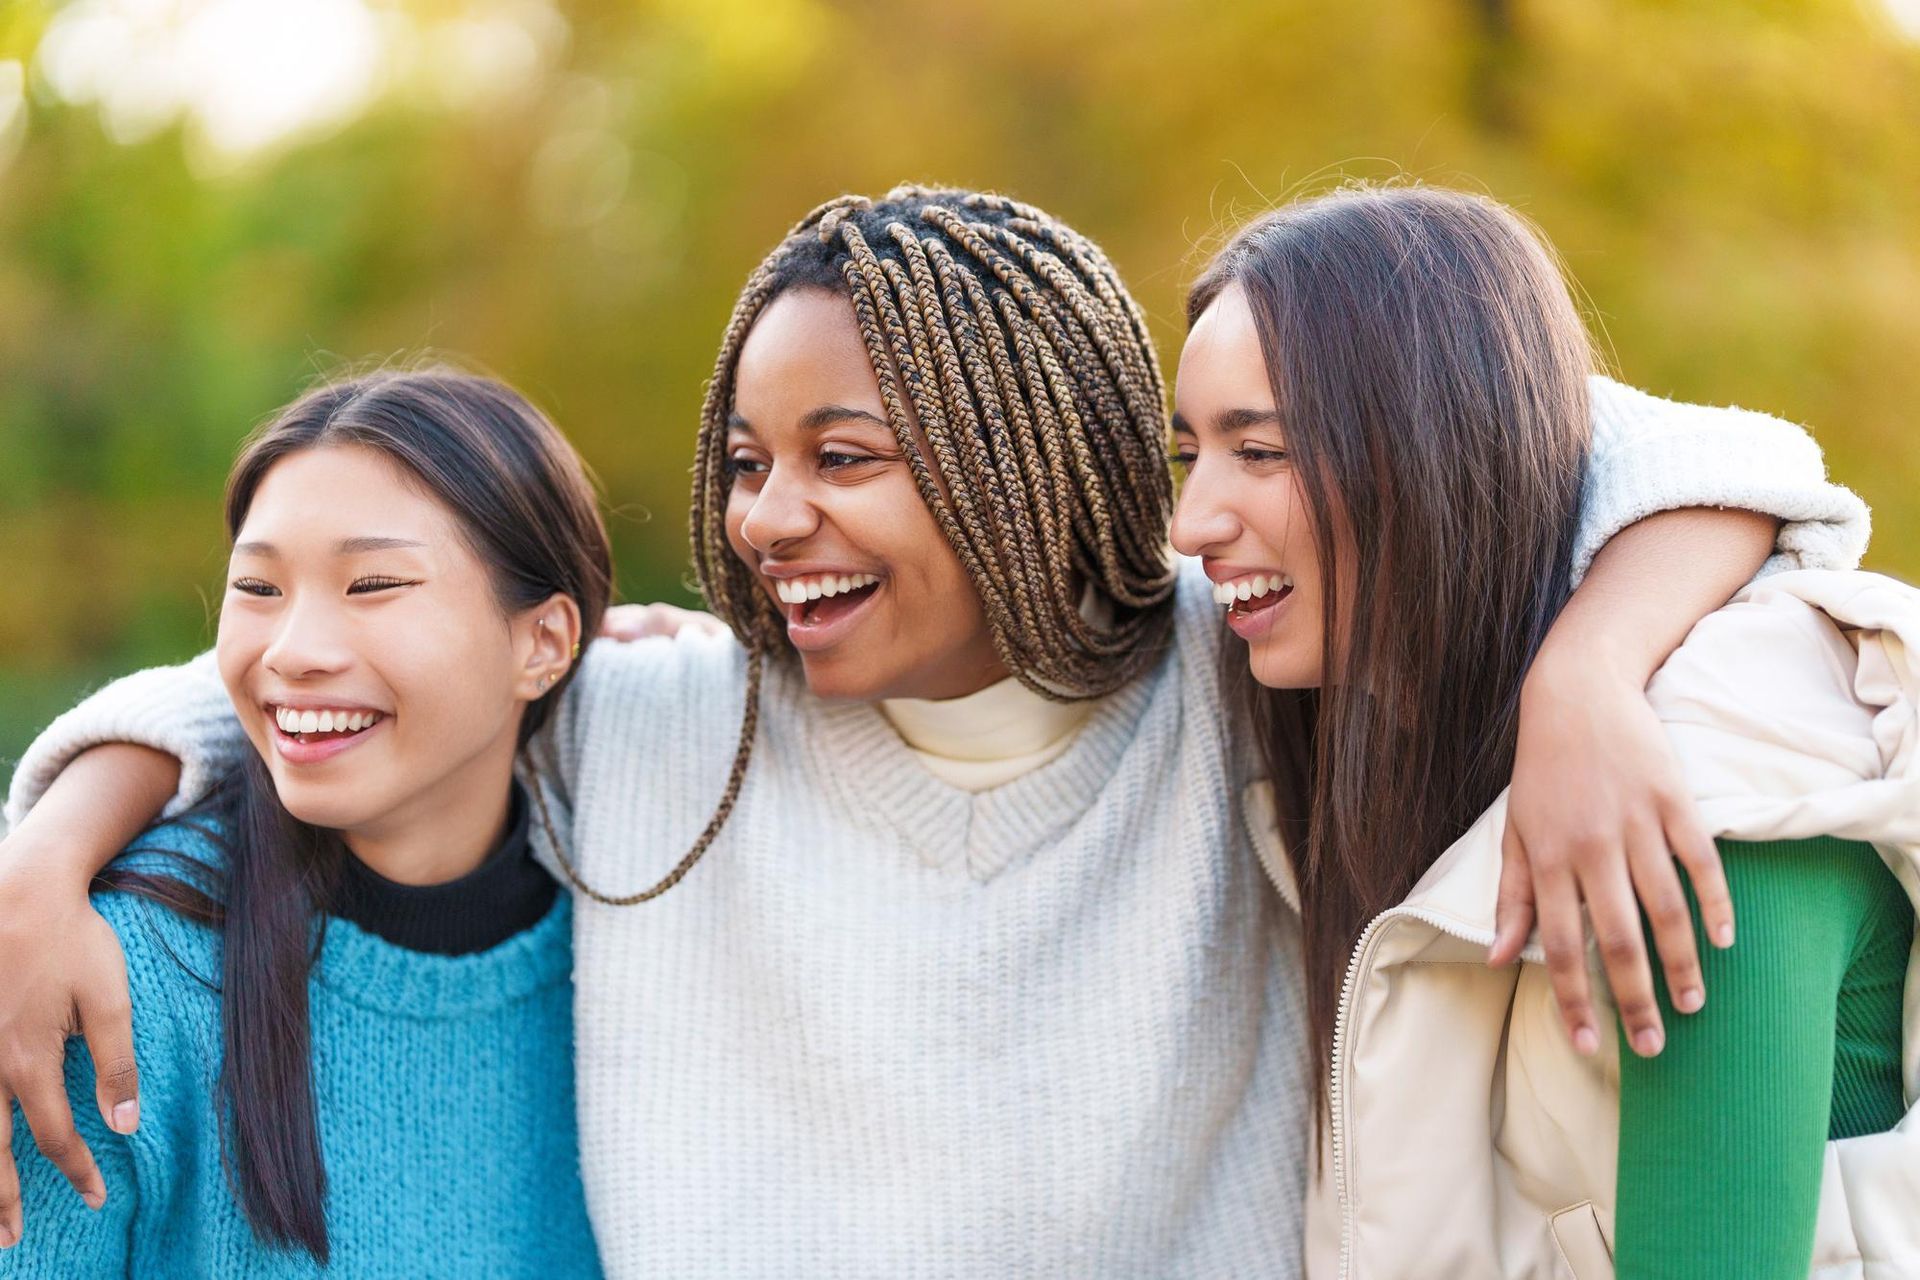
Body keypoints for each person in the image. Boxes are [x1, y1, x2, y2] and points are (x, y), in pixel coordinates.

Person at [0, 187, 1869, 1276]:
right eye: (743, 465)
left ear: (1010, 459)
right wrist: (50, 840)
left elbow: (1673, 453)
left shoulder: (1231, 674)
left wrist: (1587, 676)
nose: (761, 519)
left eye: (842, 459)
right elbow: (334, 672)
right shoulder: (663, 725)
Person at [1169, 181, 1918, 1278]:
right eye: (1189, 455)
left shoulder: (1713, 780)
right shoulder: (1381, 740)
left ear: (1434, 454)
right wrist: (1585, 666)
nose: (1191, 527)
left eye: (1265, 450)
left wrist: (1589, 669)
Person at [0, 368, 608, 1275]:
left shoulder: (635, 957)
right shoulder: (112, 977)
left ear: (545, 643)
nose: (293, 653)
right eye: (258, 587)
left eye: (371, 584)